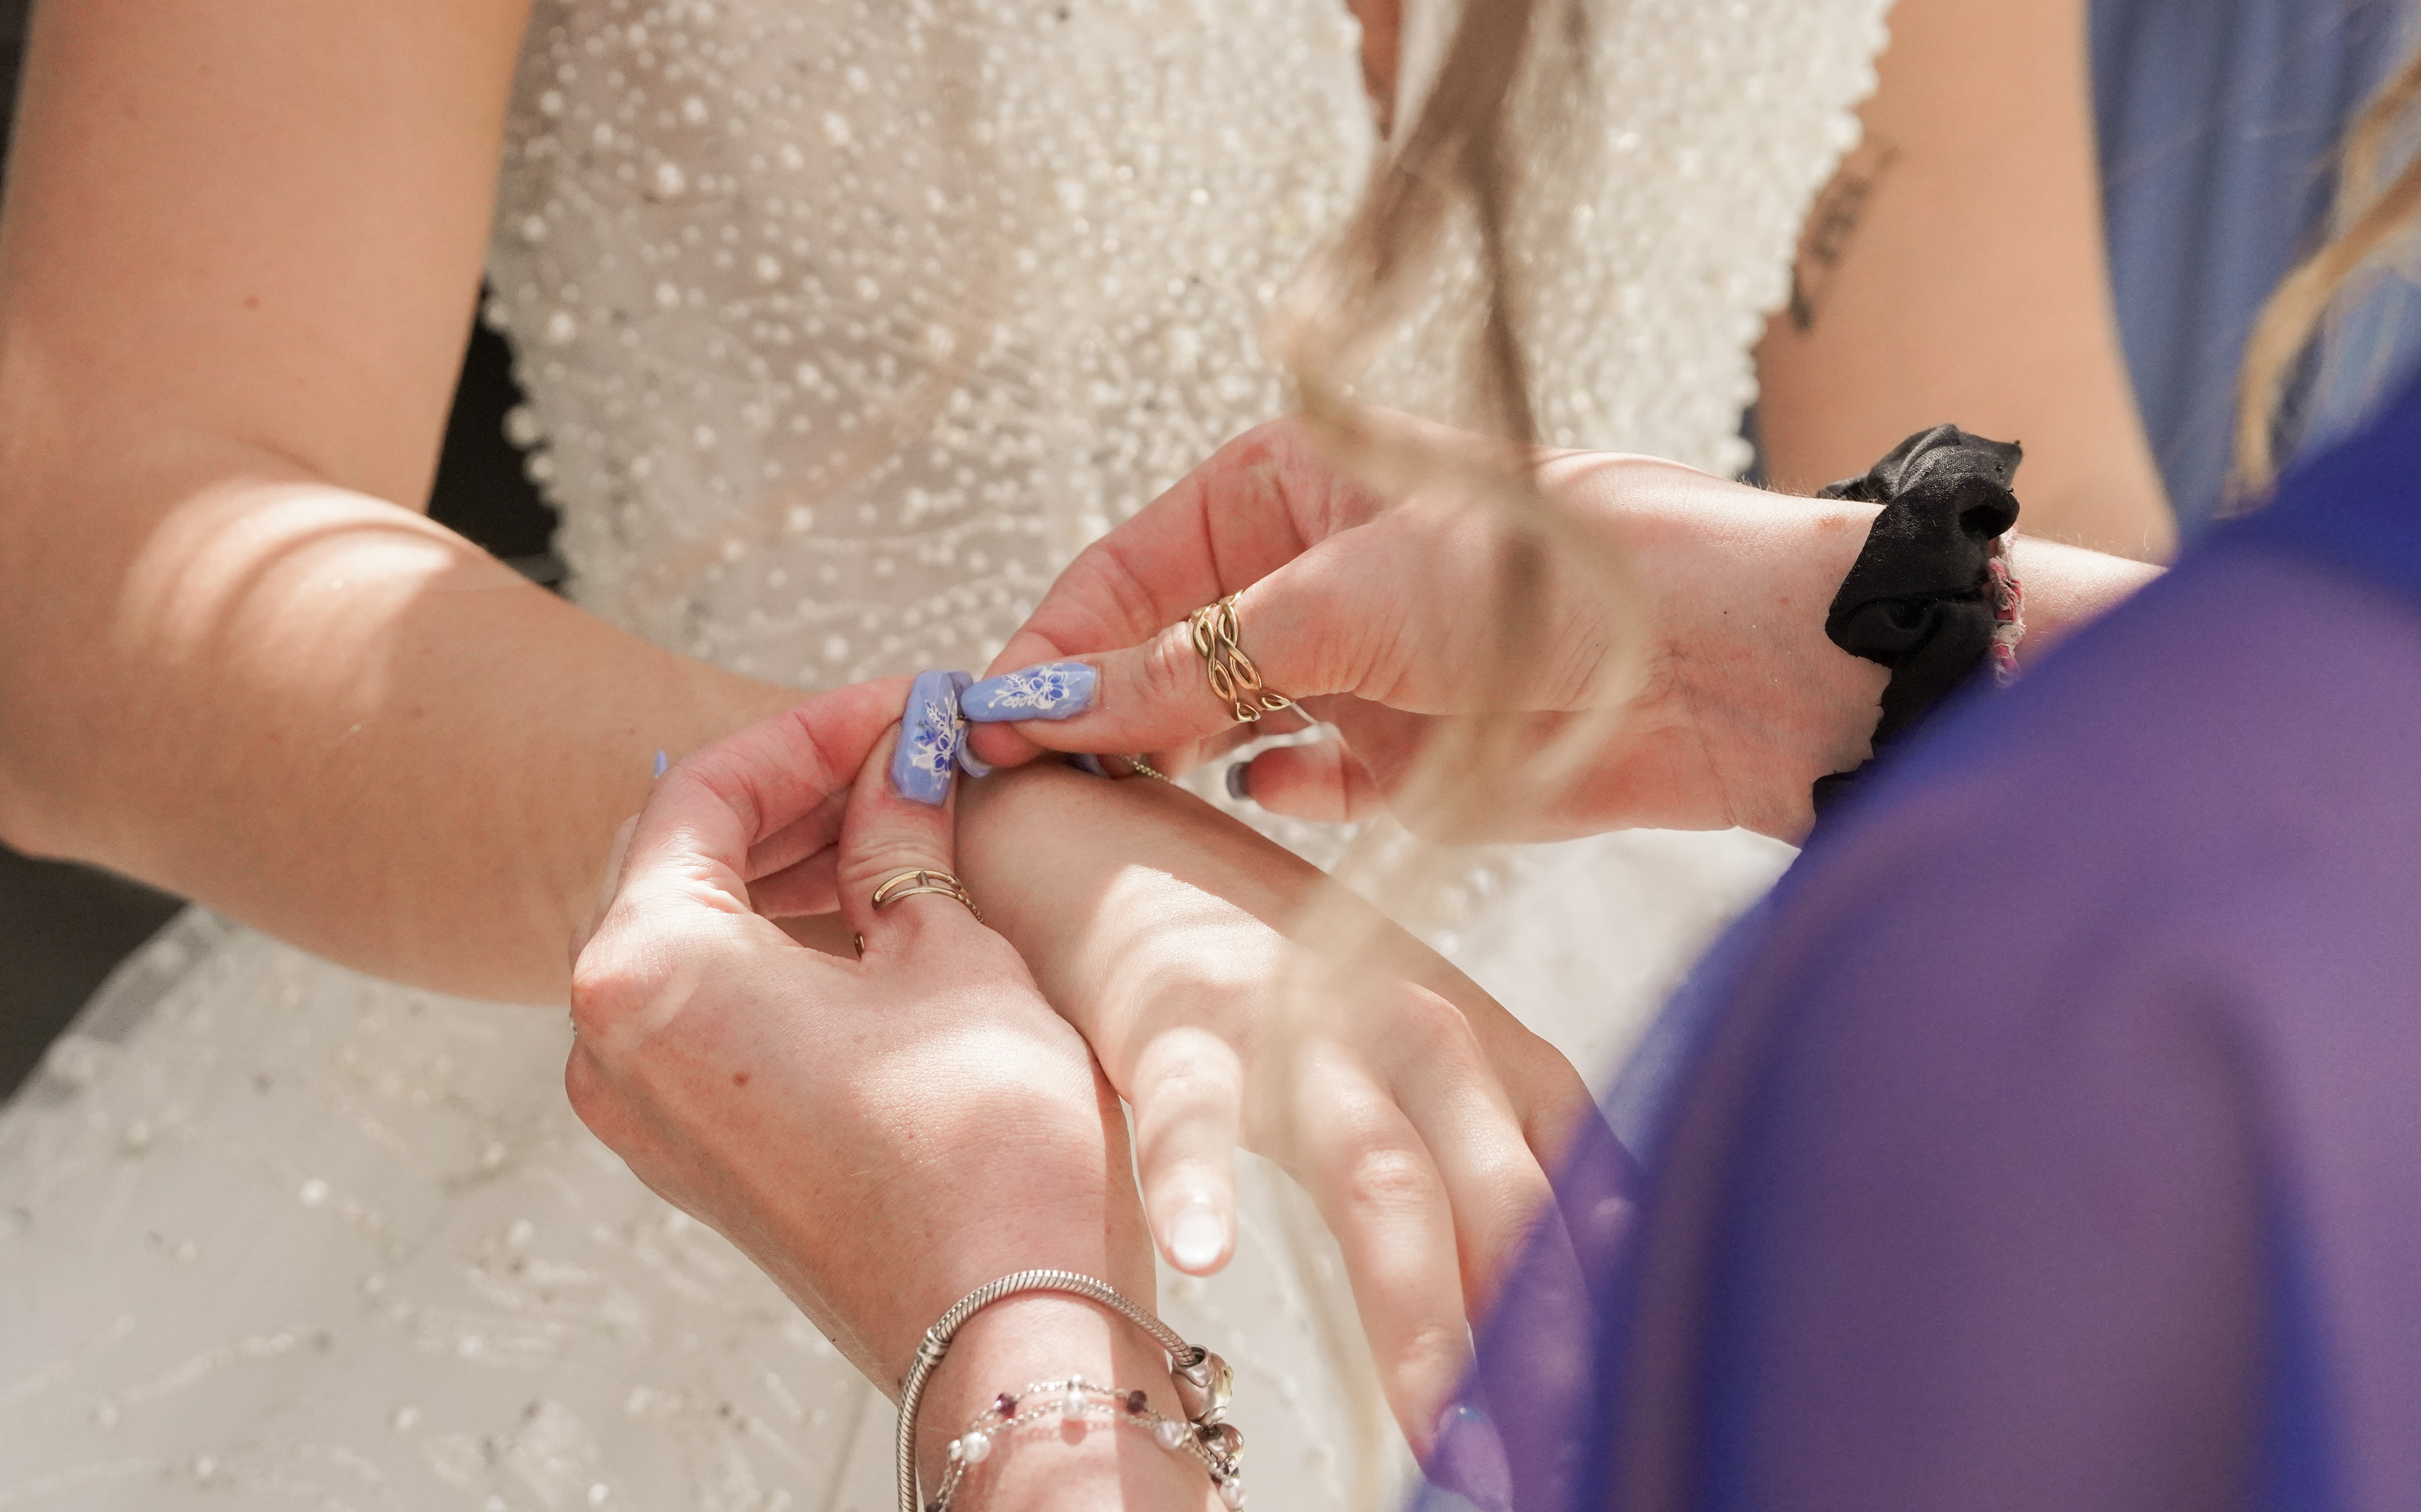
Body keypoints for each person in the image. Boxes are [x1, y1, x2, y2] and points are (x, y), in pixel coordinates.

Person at [0, 1, 2170, 1508]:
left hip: (1652, 1048)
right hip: (713, 995)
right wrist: (990, 836)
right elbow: (92, 558)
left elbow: (2031, 460)